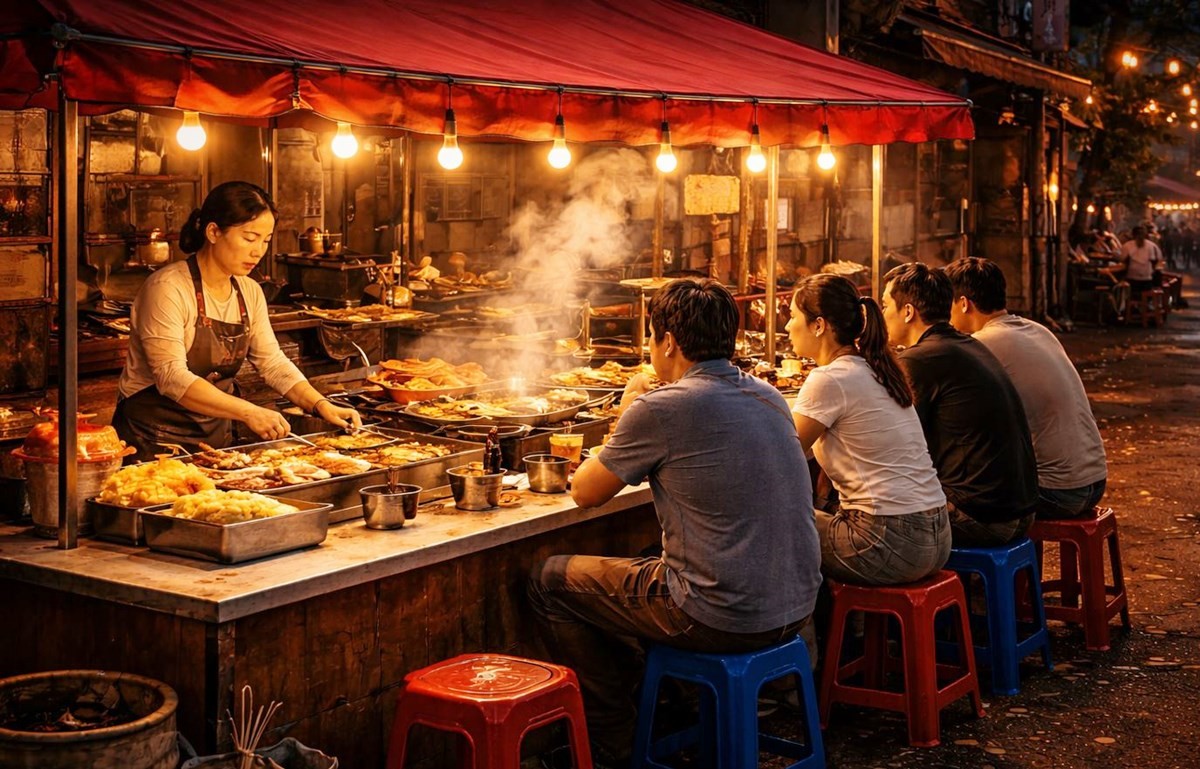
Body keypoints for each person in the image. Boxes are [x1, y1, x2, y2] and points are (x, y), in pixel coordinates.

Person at [527, 278, 821, 768]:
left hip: (720, 615)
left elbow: (585, 493)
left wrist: (626, 412)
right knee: (640, 568)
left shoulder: (659, 408)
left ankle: (613, 745)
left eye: (651, 337)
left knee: (550, 579)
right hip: (796, 608)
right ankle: (658, 702)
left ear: (667, 341)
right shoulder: (769, 395)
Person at [113, 181, 361, 462]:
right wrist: (248, 411)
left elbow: (273, 363)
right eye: (249, 237)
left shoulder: (249, 291)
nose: (259, 251)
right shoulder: (167, 288)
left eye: (265, 240)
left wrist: (319, 404)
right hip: (151, 443)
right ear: (214, 231)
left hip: (214, 444)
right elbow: (171, 377)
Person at [786, 273, 950, 584]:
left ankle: (800, 632)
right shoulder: (877, 368)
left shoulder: (829, 379)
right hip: (938, 534)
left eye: (792, 316)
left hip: (888, 541)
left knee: (777, 527)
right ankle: (852, 629)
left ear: (819, 325)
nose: (787, 326)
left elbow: (783, 455)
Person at [880, 263, 1038, 546]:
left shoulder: (920, 360)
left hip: (985, 518)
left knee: (871, 516)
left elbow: (894, 443)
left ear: (907, 312)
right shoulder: (966, 344)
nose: (882, 316)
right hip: (1020, 508)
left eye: (884, 306)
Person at [945, 258, 1107, 519]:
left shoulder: (980, 344)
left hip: (1056, 491)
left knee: (946, 496)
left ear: (963, 303)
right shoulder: (1038, 330)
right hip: (1095, 480)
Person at [1108, 225, 1162, 298]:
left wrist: (1114, 253)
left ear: (1133, 234)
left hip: (1132, 282)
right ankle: (1146, 303)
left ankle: (1125, 304)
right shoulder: (1152, 246)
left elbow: (1121, 258)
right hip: (1147, 282)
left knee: (1118, 282)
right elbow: (1159, 259)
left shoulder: (1128, 245)